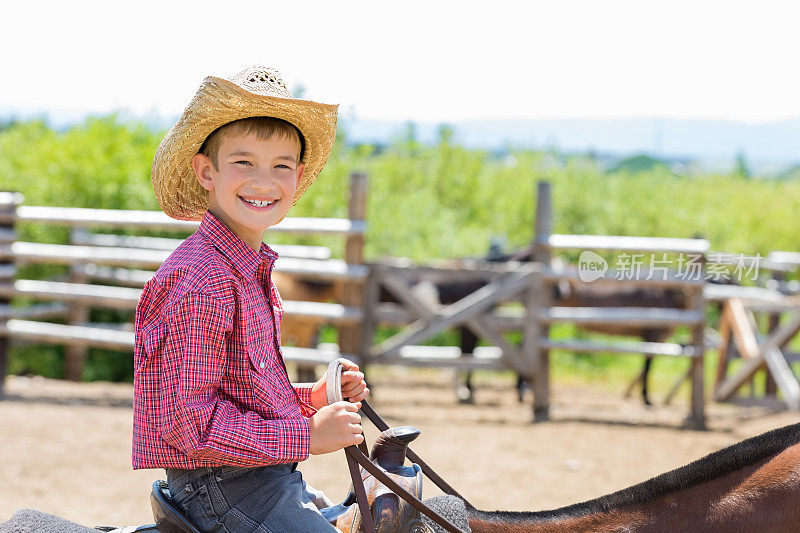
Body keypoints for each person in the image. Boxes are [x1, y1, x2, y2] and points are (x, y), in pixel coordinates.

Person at [132, 65, 368, 532]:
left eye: (281, 166)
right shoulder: (202, 281)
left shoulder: (247, 269)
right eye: (244, 162)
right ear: (206, 171)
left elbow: (242, 392)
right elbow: (191, 427)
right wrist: (307, 434)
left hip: (259, 477)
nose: (264, 182)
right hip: (220, 487)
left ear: (297, 179)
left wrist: (309, 399)